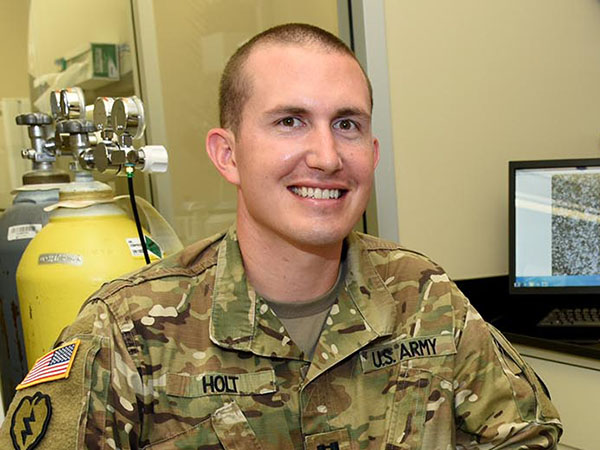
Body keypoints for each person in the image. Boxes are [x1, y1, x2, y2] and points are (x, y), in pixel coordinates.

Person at [0, 23, 561, 449]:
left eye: (347, 124)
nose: (325, 156)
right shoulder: (128, 332)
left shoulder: (422, 296)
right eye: (289, 121)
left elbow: (528, 435)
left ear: (372, 153)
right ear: (228, 154)